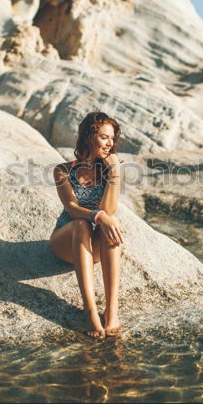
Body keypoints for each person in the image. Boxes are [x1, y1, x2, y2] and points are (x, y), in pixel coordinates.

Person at [49, 111, 124, 339]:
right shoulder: (63, 170)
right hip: (67, 241)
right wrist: (98, 216)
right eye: (103, 137)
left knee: (111, 221)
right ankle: (90, 311)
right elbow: (71, 208)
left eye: (112, 138)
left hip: (96, 248)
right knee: (82, 224)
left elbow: (109, 210)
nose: (109, 143)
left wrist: (114, 172)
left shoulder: (109, 167)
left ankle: (111, 310)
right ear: (88, 137)